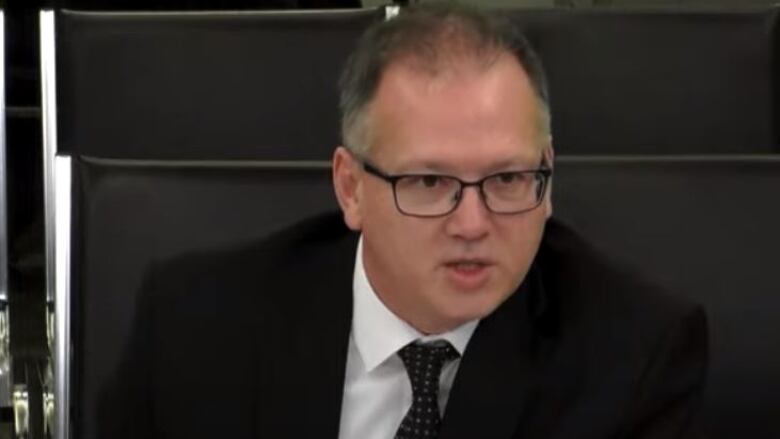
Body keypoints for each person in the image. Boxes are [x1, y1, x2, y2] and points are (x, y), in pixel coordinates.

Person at [102, 3, 708, 439]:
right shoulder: (193, 329)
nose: (473, 223)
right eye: (429, 182)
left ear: (547, 175)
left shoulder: (633, 356)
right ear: (351, 188)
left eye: (506, 179)